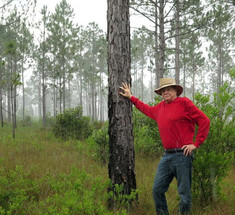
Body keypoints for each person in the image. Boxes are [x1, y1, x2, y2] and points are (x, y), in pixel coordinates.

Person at [119, 78, 210, 215]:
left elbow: (204, 121)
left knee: (184, 194)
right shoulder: (160, 108)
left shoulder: (184, 103)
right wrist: (131, 97)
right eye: (163, 90)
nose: (165, 92)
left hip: (183, 156)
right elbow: (146, 109)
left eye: (169, 89)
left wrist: (196, 144)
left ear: (175, 91)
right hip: (167, 156)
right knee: (157, 190)